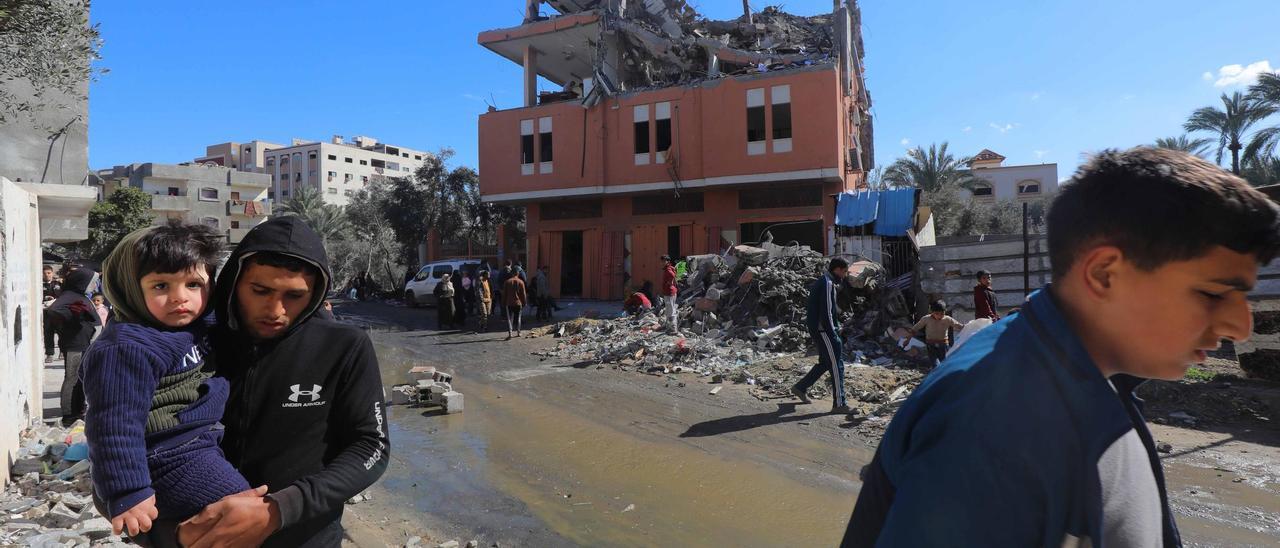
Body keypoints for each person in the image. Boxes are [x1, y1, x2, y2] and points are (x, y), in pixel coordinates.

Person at [843, 148, 1279, 547]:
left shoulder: (1095, 382)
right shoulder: (1003, 424)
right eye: (1213, 293)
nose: (1240, 327)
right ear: (1105, 274)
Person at [181, 215, 389, 547]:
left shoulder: (344, 346)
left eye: (294, 296)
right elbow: (134, 436)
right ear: (234, 282)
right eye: (260, 290)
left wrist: (279, 509)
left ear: (316, 292)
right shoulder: (193, 343)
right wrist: (162, 532)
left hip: (306, 537)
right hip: (201, 534)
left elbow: (371, 446)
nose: (276, 310)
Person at [80, 221, 251, 540]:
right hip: (170, 456)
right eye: (161, 286)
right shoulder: (128, 346)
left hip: (200, 443)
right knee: (244, 512)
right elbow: (114, 424)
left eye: (193, 285)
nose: (180, 298)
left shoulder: (195, 323)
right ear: (130, 287)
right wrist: (128, 492)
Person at [789, 258, 850, 413]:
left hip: (819, 329)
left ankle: (800, 387)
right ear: (837, 269)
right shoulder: (827, 284)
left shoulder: (824, 281)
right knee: (837, 365)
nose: (844, 275)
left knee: (825, 362)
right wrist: (833, 333)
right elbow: (827, 311)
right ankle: (840, 403)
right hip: (824, 331)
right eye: (844, 272)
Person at [44, 267, 101, 426]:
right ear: (82, 281)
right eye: (93, 282)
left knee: (80, 379)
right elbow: (53, 310)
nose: (95, 285)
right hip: (75, 344)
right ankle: (68, 413)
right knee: (72, 378)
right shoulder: (70, 296)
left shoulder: (80, 296)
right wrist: (73, 317)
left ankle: (78, 410)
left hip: (83, 344)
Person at [909, 301, 966, 366]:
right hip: (931, 345)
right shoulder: (926, 319)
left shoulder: (947, 319)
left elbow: (959, 326)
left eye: (942, 313)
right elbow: (915, 328)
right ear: (932, 312)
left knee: (945, 362)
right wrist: (907, 340)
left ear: (945, 311)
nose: (939, 316)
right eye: (937, 313)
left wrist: (970, 326)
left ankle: (944, 375)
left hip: (943, 345)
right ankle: (937, 373)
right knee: (934, 363)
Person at [43, 264, 62, 363]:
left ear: (52, 273)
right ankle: (49, 354)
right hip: (46, 313)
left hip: (58, 313)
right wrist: (46, 298)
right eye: (45, 273)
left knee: (61, 332)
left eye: (49, 273)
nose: (47, 275)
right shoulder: (40, 285)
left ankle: (62, 351)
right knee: (48, 333)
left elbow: (63, 295)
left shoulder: (58, 284)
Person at [503, 269, 527, 340]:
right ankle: (518, 332)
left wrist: (503, 302)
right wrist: (524, 302)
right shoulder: (521, 282)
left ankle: (510, 333)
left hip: (509, 303)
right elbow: (523, 294)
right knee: (518, 317)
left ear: (512, 274)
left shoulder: (507, 282)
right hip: (518, 303)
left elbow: (505, 294)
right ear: (518, 274)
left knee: (510, 319)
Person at [660, 255, 678, 333]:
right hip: (671, 292)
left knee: (671, 311)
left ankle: (674, 329)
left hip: (669, 293)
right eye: (662, 261)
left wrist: (669, 283)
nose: (663, 262)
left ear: (668, 261)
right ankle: (668, 326)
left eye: (664, 261)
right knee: (669, 310)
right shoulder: (670, 268)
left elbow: (672, 275)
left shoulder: (668, 269)